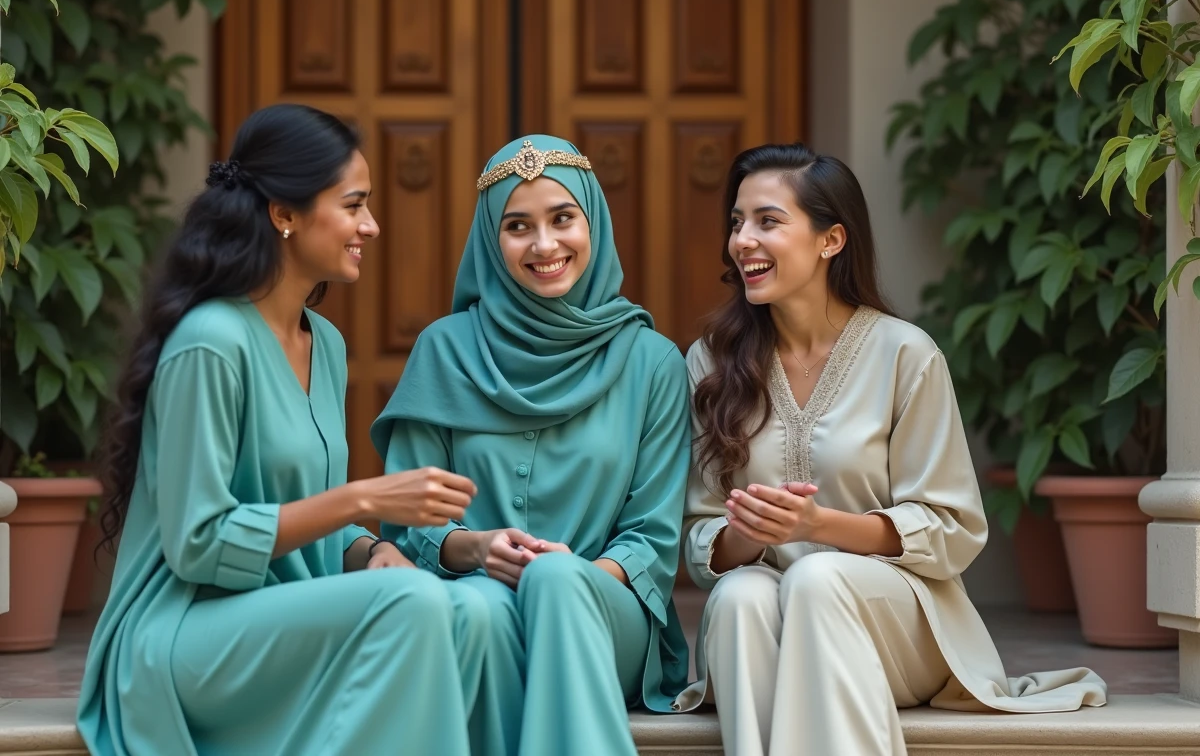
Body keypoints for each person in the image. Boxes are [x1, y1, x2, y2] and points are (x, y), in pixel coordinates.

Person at [77, 104, 488, 755]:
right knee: (411, 605)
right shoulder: (210, 342)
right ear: (284, 214)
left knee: (457, 606)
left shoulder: (325, 344)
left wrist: (368, 551)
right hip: (183, 637)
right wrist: (363, 499)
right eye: (353, 205)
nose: (371, 225)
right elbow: (198, 543)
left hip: (280, 618)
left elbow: (303, 509)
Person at [672, 143, 1107, 755]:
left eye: (768, 221)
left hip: (894, 624)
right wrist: (748, 534)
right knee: (740, 595)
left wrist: (818, 526)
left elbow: (953, 529)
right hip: (768, 624)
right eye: (737, 222)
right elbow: (701, 539)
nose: (743, 240)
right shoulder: (710, 363)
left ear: (831, 240)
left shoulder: (906, 354)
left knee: (817, 579)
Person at [371, 135, 691, 756]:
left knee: (555, 580)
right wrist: (478, 548)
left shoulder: (651, 362)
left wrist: (569, 575)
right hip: (476, 593)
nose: (544, 245)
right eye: (518, 226)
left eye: (562, 218)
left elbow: (650, 538)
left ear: (592, 222)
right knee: (485, 613)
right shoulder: (444, 350)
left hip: (604, 608)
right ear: (492, 241)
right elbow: (410, 518)